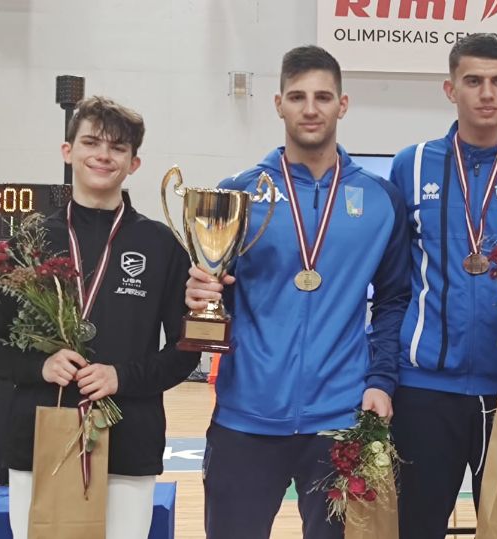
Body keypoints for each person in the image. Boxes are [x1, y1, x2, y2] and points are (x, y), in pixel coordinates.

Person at [184, 45, 411, 539]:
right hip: (246, 417)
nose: (311, 109)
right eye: (297, 96)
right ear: (278, 104)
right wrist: (202, 291)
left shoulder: (381, 200)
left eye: (323, 97)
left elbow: (395, 299)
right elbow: (217, 292)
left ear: (342, 105)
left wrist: (381, 380)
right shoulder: (238, 194)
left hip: (340, 419)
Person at [0, 96, 200, 538]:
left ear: (134, 163)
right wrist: (41, 366)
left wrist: (122, 377)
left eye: (118, 147)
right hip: (39, 439)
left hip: (128, 439)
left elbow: (185, 350)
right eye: (91, 142)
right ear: (68, 151)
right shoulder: (29, 242)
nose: (103, 154)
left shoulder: (161, 246)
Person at [387, 33, 497, 538]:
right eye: (473, 81)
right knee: (414, 529)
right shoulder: (411, 164)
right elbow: (394, 276)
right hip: (423, 389)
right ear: (450, 89)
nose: (487, 93)